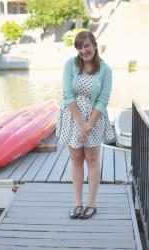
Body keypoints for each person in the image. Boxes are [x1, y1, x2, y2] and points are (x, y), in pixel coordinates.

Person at [56, 31, 112, 219]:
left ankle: (91, 205)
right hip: (73, 118)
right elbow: (67, 95)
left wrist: (89, 125)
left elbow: (103, 100)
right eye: (79, 47)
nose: (83, 51)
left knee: (93, 160)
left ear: (95, 45)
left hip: (95, 118)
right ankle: (78, 204)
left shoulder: (105, 69)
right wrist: (82, 125)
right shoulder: (70, 65)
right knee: (76, 160)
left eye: (86, 46)